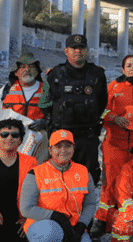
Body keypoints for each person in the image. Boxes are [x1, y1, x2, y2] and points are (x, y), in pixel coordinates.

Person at [19, 129, 99, 242]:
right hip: (44, 226)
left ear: (73, 148)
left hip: (73, 228)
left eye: (68, 146)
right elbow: (26, 208)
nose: (63, 150)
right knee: (51, 232)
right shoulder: (36, 173)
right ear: (50, 150)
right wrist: (57, 217)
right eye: (58, 146)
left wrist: (80, 228)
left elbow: (90, 204)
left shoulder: (83, 172)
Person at [36, 34, 109, 188]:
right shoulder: (54, 74)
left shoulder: (97, 74)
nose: (78, 51)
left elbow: (102, 102)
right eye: (74, 48)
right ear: (66, 51)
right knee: (59, 177)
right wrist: (56, 119)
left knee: (88, 179)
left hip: (87, 136)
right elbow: (44, 103)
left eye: (81, 48)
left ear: (86, 50)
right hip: (62, 135)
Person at [93, 54, 133, 235]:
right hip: (114, 143)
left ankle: (128, 219)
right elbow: (101, 110)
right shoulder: (113, 87)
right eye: (128, 65)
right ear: (123, 69)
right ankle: (101, 221)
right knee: (110, 183)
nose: (132, 68)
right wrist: (114, 118)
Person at [0, 52, 44, 151]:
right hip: (7, 142)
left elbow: (56, 117)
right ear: (16, 72)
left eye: (31, 67)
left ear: (37, 71)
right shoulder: (3, 92)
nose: (27, 70)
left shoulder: (47, 90)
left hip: (34, 143)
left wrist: (45, 123)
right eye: (22, 67)